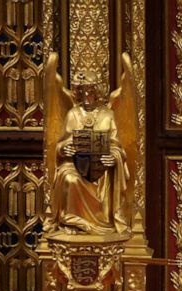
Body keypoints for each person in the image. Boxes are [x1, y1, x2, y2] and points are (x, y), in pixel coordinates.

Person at [47, 70, 130, 235]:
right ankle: (72, 222)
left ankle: (103, 221)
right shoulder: (73, 114)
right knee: (69, 178)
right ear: (78, 92)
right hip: (74, 165)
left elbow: (116, 145)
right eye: (83, 91)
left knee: (105, 176)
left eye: (91, 91)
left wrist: (113, 157)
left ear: (97, 92)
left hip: (100, 168)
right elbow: (61, 144)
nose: (87, 96)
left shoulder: (108, 115)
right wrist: (64, 149)